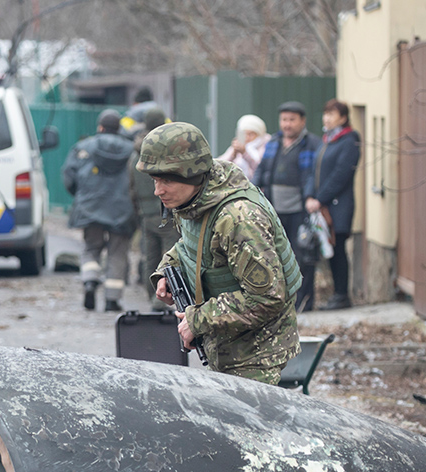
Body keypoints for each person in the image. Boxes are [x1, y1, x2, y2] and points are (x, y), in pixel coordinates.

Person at [137, 122, 301, 385]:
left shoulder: (238, 218)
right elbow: (192, 246)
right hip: (226, 345)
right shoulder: (196, 200)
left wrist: (197, 320)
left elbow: (268, 297)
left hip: (256, 355)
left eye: (166, 180)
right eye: (155, 180)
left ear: (190, 174)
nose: (158, 191)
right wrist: (166, 270)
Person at [62, 109, 136, 311]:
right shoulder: (131, 151)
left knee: (91, 247)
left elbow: (69, 176)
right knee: (117, 253)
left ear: (100, 127)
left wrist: (81, 197)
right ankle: (112, 300)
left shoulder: (83, 147)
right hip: (122, 210)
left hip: (91, 207)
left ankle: (90, 280)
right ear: (118, 128)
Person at [253, 101, 322, 311]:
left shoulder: (312, 144)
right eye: (284, 120)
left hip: (300, 210)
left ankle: (304, 302)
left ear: (302, 121)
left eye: (292, 120)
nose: (287, 124)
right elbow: (261, 170)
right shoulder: (273, 142)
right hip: (274, 210)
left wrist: (310, 196)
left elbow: (313, 176)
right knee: (275, 256)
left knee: (302, 256)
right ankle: (280, 301)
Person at [307, 99, 361, 310]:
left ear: (344, 117)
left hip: (338, 207)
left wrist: (321, 198)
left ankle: (342, 295)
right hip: (321, 206)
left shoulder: (350, 140)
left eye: (332, 114)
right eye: (325, 113)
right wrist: (310, 196)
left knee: (338, 251)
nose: (326, 118)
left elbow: (341, 174)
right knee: (329, 250)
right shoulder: (327, 140)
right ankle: (337, 294)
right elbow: (314, 171)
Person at [127, 107, 178, 309]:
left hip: (145, 212)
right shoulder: (167, 151)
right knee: (173, 254)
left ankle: (152, 297)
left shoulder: (135, 154)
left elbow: (131, 188)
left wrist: (137, 210)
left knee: (150, 255)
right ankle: (170, 297)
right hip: (168, 211)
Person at [216, 115, 269, 182]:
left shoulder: (265, 146)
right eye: (244, 134)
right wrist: (233, 154)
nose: (247, 137)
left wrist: (245, 153)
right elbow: (220, 165)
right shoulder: (238, 145)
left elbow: (260, 168)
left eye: (251, 134)